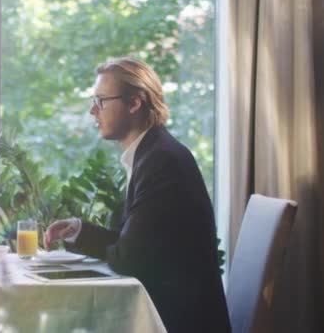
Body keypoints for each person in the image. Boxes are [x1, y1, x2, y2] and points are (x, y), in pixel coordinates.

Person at [44, 57, 231, 332]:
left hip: (176, 322)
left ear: (134, 103)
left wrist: (113, 247)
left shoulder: (162, 162)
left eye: (101, 101)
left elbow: (129, 258)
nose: (92, 111)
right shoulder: (152, 153)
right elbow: (129, 244)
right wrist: (78, 231)